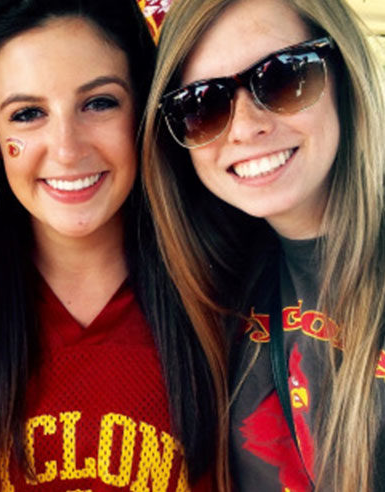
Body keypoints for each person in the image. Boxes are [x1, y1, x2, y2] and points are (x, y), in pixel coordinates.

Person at [0, 0, 225, 489]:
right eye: (27, 113)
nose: (66, 149)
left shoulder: (228, 295)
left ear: (142, 108)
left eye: (99, 103)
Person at [142, 0, 385, 489]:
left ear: (343, 73)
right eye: (202, 105)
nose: (244, 127)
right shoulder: (213, 287)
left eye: (282, 77)